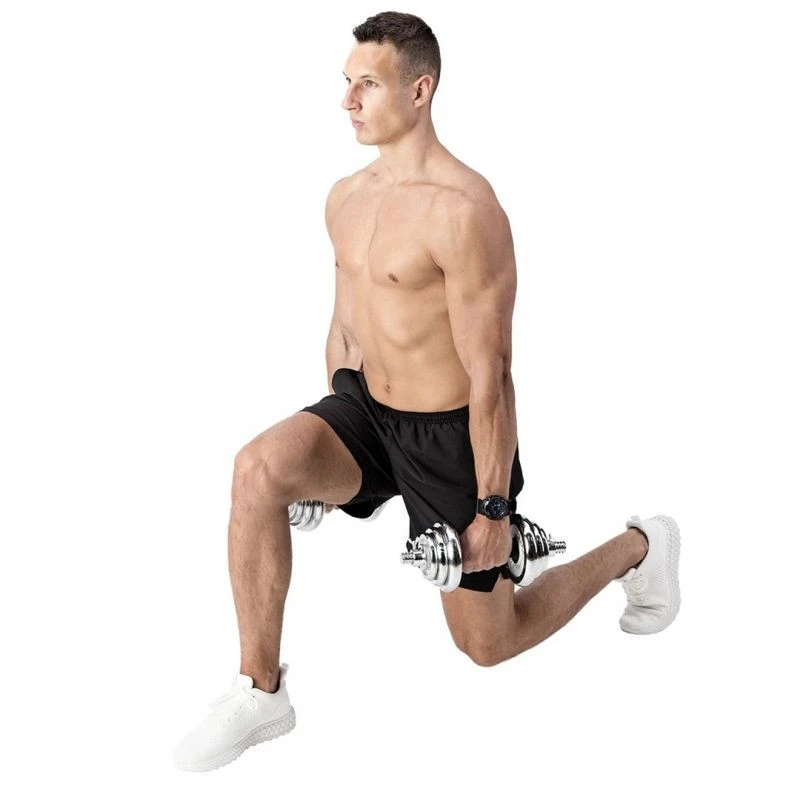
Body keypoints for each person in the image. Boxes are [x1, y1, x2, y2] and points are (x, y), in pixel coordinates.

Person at [173, 10, 681, 773]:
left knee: (488, 644)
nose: (348, 100)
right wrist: (324, 464)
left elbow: (492, 373)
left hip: (450, 433)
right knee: (258, 469)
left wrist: (493, 510)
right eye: (346, 83)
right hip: (365, 409)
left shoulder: (465, 210)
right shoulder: (346, 197)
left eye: (368, 85)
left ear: (420, 89)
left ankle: (639, 548)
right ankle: (261, 692)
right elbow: (347, 325)